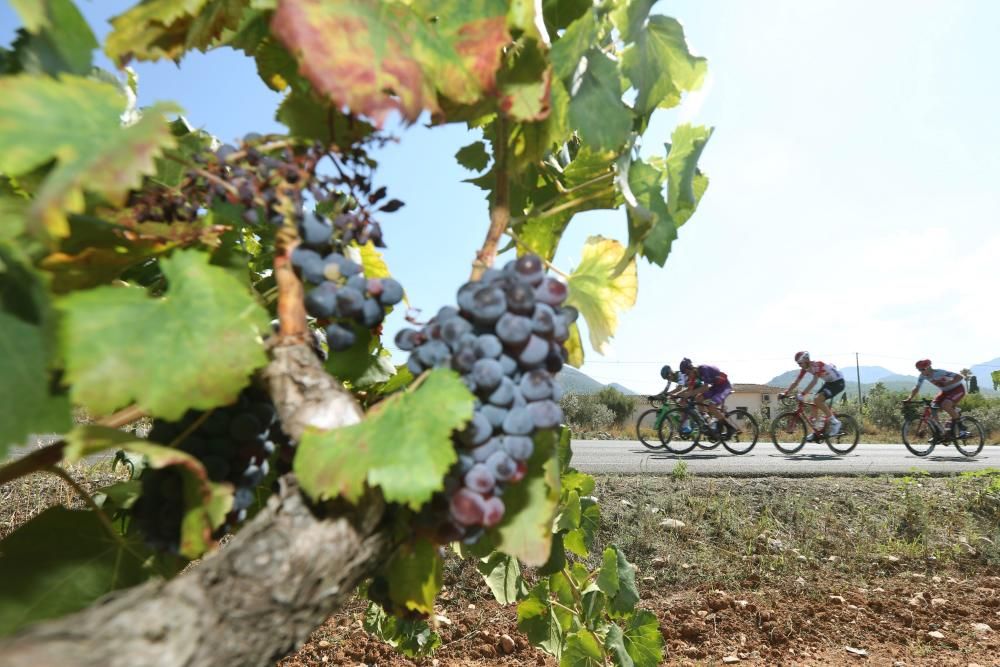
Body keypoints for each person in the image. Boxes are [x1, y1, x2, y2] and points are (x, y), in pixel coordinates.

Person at [781, 351, 844, 438]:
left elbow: (814, 382)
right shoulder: (804, 369)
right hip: (829, 382)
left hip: (838, 382)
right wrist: (785, 392)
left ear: (806, 360)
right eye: (798, 363)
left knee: (818, 399)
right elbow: (796, 382)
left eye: (800, 363)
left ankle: (835, 422)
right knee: (815, 404)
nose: (799, 365)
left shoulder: (817, 365)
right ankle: (817, 432)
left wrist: (802, 394)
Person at [905, 360, 968, 438]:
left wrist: (947, 383)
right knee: (932, 408)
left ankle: (962, 429)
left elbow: (960, 377)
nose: (921, 372)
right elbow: (917, 387)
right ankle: (941, 432)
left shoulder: (939, 372)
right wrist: (910, 398)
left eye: (923, 369)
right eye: (919, 370)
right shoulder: (922, 376)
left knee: (945, 405)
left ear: (929, 367)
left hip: (958, 389)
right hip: (945, 391)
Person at [677, 358, 738, 434]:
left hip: (724, 387)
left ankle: (730, 428)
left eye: (688, 373)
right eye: (686, 375)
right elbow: (689, 390)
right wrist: (679, 396)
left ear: (691, 368)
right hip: (715, 386)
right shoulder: (694, 375)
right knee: (698, 398)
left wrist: (688, 394)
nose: (688, 376)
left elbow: (705, 388)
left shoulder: (704, 369)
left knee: (711, 407)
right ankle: (708, 421)